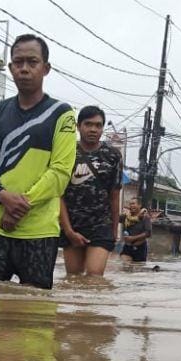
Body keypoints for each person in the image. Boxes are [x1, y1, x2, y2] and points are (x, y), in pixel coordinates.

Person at [0, 34, 77, 289]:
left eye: (32, 62)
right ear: (10, 68)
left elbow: (60, 173)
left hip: (40, 232)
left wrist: (19, 208)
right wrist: (3, 197)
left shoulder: (62, 114)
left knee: (35, 315)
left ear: (46, 68)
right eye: (18, 62)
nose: (25, 69)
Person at [59, 106, 123, 277]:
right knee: (73, 278)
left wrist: (114, 230)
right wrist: (68, 231)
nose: (93, 129)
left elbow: (114, 196)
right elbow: (58, 195)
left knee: (94, 276)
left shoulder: (113, 155)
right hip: (72, 225)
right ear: (78, 126)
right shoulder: (65, 152)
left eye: (98, 125)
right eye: (88, 124)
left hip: (100, 226)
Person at [119, 197, 151, 264]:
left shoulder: (145, 217)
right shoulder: (125, 216)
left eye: (133, 204)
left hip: (140, 248)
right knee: (125, 266)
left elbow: (148, 233)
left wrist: (133, 238)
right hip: (127, 247)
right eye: (130, 204)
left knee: (138, 270)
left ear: (139, 205)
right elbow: (114, 219)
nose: (131, 206)